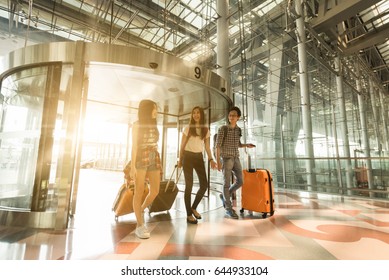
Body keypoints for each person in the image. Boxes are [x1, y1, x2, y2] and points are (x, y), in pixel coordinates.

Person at [178, 106, 217, 224]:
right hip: (188, 157)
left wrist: (211, 159)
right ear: (192, 115)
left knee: (204, 185)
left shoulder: (205, 130)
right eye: (194, 113)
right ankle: (189, 215)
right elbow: (182, 146)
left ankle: (193, 207)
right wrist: (180, 160)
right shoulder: (188, 128)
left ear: (201, 115)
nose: (196, 115)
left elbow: (207, 147)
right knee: (189, 186)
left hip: (199, 157)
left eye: (198, 113)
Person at [215, 106, 255, 219]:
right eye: (230, 115)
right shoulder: (223, 129)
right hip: (226, 158)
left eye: (234, 115)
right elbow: (217, 146)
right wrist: (218, 161)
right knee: (226, 183)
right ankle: (228, 209)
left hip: (236, 158)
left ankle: (224, 196)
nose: (231, 117)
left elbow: (238, 144)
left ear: (238, 117)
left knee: (241, 181)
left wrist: (246, 145)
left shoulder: (238, 130)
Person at [129, 99, 161, 239]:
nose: (157, 111)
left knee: (155, 190)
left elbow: (155, 143)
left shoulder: (154, 124)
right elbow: (134, 146)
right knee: (139, 191)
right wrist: (132, 167)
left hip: (154, 156)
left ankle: (140, 210)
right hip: (141, 156)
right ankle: (140, 225)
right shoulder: (137, 125)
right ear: (147, 110)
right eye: (154, 108)